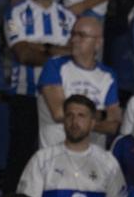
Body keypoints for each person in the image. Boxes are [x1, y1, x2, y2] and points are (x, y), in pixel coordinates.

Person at [19, 94, 128, 197]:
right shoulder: (42, 159)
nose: (74, 121)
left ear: (92, 123)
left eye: (81, 116)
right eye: (69, 115)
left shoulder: (107, 162)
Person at [4, 0, 76, 191]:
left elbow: (76, 53)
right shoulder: (16, 13)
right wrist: (58, 51)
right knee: (21, 156)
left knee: (56, 154)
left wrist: (40, 46)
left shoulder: (68, 17)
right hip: (25, 95)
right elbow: (23, 54)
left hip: (59, 98)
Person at [37, 15, 120, 149]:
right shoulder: (54, 66)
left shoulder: (108, 75)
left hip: (93, 157)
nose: (74, 40)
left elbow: (113, 125)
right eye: (73, 34)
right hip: (55, 153)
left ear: (98, 42)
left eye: (81, 35)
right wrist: (101, 115)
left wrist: (77, 119)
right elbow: (59, 113)